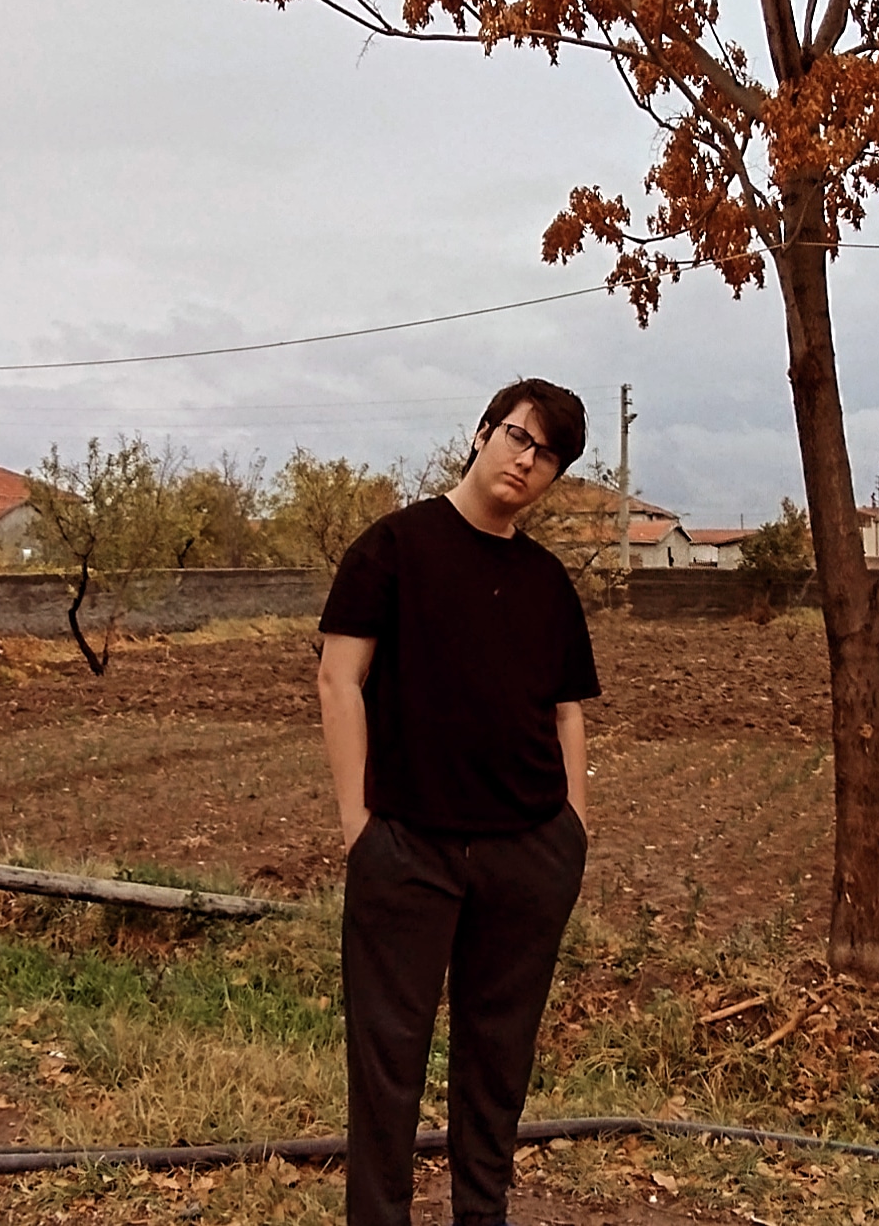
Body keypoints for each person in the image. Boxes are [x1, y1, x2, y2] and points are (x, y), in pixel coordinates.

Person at [317, 377, 599, 1226]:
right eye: (518, 437)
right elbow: (339, 680)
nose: (527, 460)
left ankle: (483, 1215)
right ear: (481, 434)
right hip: (407, 847)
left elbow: (567, 710)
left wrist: (573, 831)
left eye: (548, 455)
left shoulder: (547, 581)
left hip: (528, 852)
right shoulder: (393, 548)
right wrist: (359, 828)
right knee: (387, 1065)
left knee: (498, 1062)